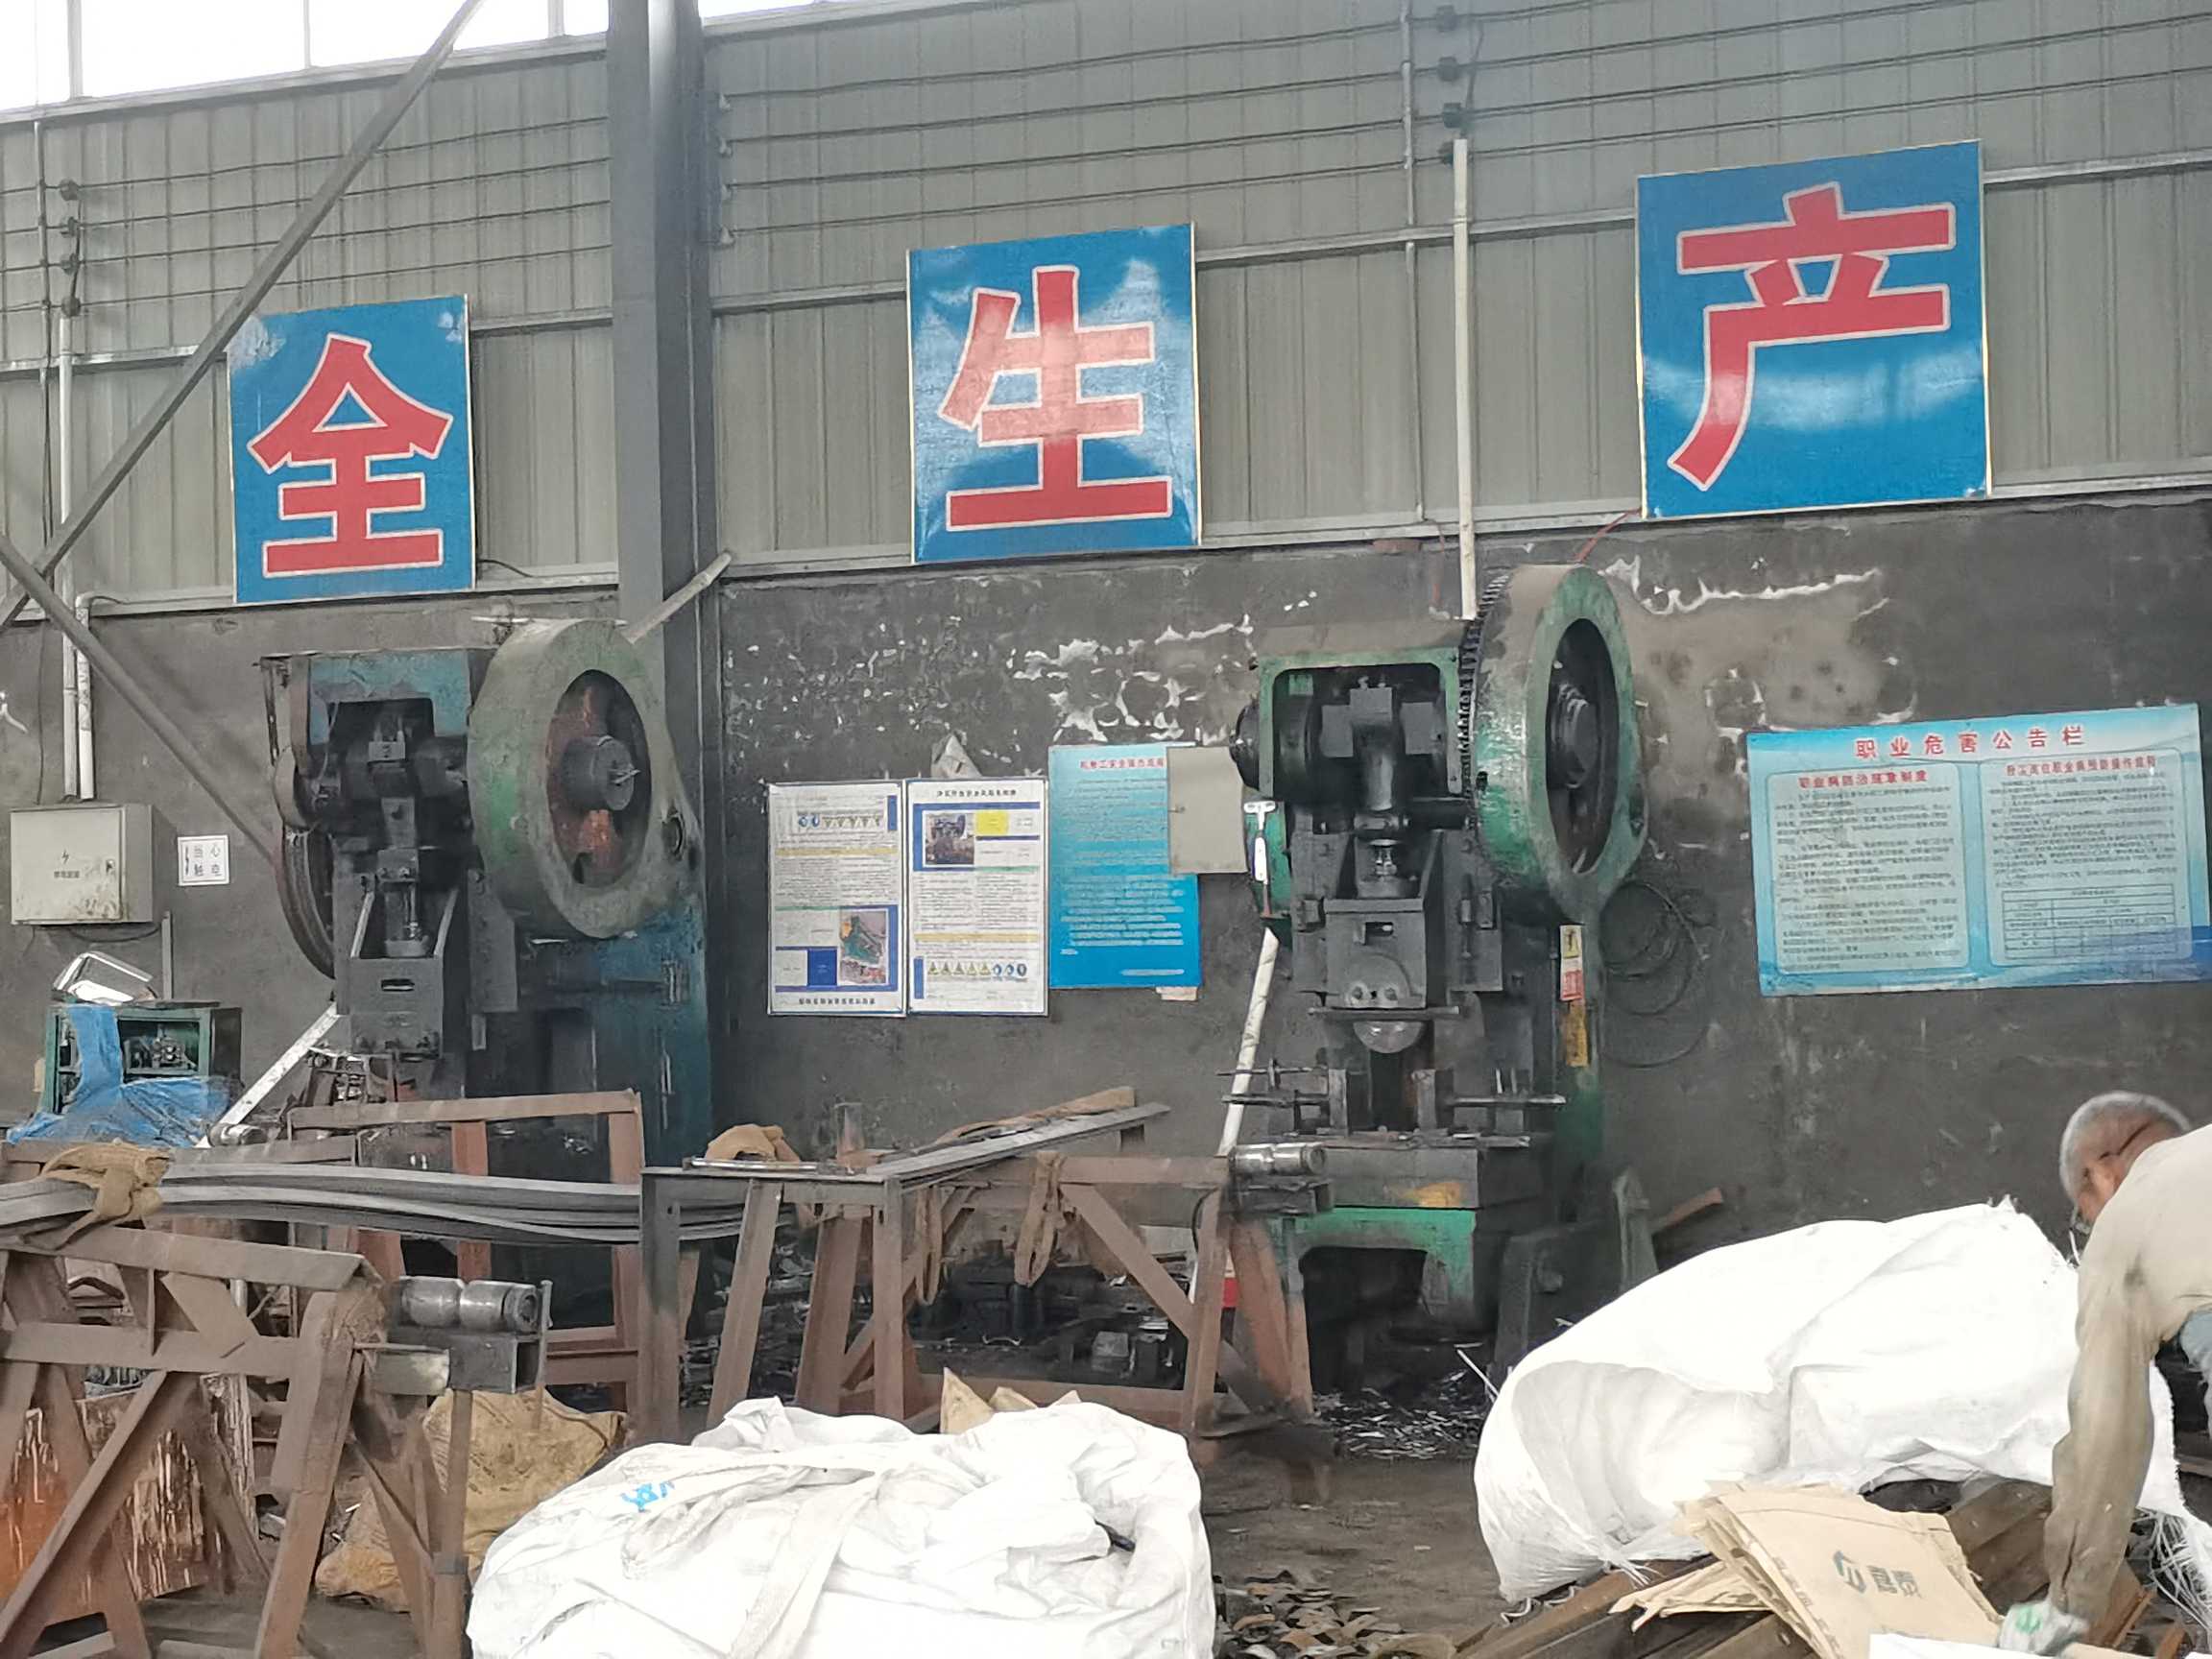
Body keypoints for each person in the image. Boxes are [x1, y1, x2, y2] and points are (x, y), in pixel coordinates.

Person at [2000, 1092, 2212, 1652]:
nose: (2092, 1222)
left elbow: (2106, 1432)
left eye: (2084, 1208)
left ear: (2101, 1172)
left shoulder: (2127, 1220)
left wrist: (2070, 1604)